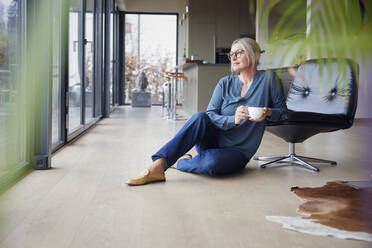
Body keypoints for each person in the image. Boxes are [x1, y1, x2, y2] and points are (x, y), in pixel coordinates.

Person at [127, 37, 287, 186]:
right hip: (212, 141)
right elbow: (210, 116)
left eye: (239, 52)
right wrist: (233, 119)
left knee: (212, 164)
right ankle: (160, 165)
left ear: (254, 55)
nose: (233, 57)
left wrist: (268, 113)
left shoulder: (269, 79)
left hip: (238, 152)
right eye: (231, 54)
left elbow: (283, 113)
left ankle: (180, 162)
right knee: (200, 117)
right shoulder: (225, 83)